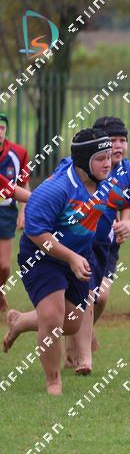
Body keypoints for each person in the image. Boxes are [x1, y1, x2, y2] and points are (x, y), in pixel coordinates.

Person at [3, 129, 114, 395]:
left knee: (72, 322)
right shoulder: (57, 188)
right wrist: (71, 257)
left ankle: (20, 322)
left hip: (77, 257)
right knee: (52, 317)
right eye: (101, 158)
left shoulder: (104, 183)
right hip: (41, 255)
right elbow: (35, 232)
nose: (108, 163)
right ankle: (53, 382)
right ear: (84, 161)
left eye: (109, 157)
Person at [65, 116, 130, 373]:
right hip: (75, 244)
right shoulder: (78, 166)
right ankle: (84, 357)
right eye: (112, 140)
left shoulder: (128, 172)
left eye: (123, 140)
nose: (118, 145)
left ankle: (79, 333)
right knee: (87, 296)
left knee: (99, 298)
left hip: (105, 246)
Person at [0, 111, 30, 312]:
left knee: (4, 266)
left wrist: (23, 212)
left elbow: (20, 186)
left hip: (6, 212)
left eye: (2, 127)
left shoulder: (18, 153)